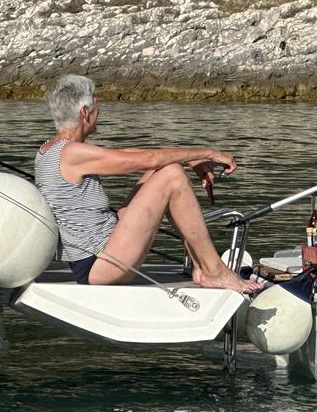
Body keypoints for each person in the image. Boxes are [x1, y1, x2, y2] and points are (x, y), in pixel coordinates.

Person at [34, 74, 260, 293]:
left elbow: (133, 155)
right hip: (101, 263)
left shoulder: (49, 149)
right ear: (85, 112)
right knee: (171, 174)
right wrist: (209, 153)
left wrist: (189, 157)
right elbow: (149, 158)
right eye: (97, 104)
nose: (99, 110)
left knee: (161, 169)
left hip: (100, 254)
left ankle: (200, 266)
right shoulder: (72, 153)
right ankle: (214, 270)